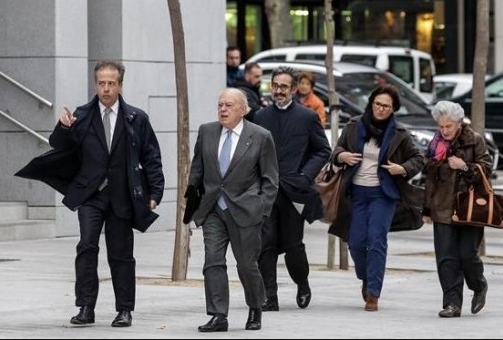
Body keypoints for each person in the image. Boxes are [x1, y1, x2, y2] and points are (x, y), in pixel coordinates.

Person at [49, 60, 165, 327]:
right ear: (95, 84)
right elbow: (59, 147)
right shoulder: (82, 115)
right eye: (101, 83)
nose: (106, 88)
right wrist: (64, 127)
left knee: (121, 253)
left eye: (111, 83)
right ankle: (86, 307)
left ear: (120, 85)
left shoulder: (136, 118)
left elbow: (152, 157)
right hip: (90, 195)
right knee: (87, 247)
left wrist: (155, 192)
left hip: (122, 196)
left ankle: (124, 309)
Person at [187, 88, 279, 332]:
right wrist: (192, 209)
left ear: (242, 110)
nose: (223, 110)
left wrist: (262, 209)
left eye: (228, 105)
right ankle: (219, 315)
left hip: (246, 210)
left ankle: (256, 306)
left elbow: (270, 179)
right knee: (213, 262)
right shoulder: (207, 132)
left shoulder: (260, 136)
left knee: (246, 264)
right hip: (213, 209)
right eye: (220, 105)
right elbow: (196, 172)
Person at [329, 84, 424, 311]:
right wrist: (342, 156)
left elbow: (418, 159)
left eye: (387, 107)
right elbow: (335, 151)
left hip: (383, 194)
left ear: (393, 110)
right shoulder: (353, 126)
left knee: (377, 240)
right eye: (378, 104)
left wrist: (401, 169)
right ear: (371, 104)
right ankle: (366, 277)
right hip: (356, 193)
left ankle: (373, 293)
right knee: (356, 242)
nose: (381, 109)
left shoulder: (400, 134)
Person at [254, 66, 331, 312]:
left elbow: (323, 150)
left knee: (292, 245)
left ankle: (302, 282)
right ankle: (269, 296)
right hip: (265, 191)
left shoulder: (307, 117)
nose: (278, 91)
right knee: (265, 244)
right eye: (275, 86)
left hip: (294, 191)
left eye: (283, 87)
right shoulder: (260, 117)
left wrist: (305, 175)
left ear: (294, 89)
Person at [421, 100, 492, 318]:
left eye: (448, 126)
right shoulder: (435, 145)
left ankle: (479, 285)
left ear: (459, 123)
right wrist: (426, 209)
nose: (444, 131)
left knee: (468, 255)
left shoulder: (474, 141)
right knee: (446, 258)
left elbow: (487, 170)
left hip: (469, 209)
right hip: (442, 207)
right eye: (441, 126)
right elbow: (429, 179)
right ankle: (452, 303)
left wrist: (465, 167)